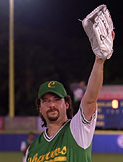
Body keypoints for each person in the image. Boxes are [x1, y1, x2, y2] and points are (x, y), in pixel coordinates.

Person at [24, 5, 115, 162]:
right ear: (39, 107)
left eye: (56, 99)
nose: (51, 104)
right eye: (46, 101)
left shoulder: (77, 130)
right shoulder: (32, 151)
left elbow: (90, 99)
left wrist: (99, 61)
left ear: (66, 104)